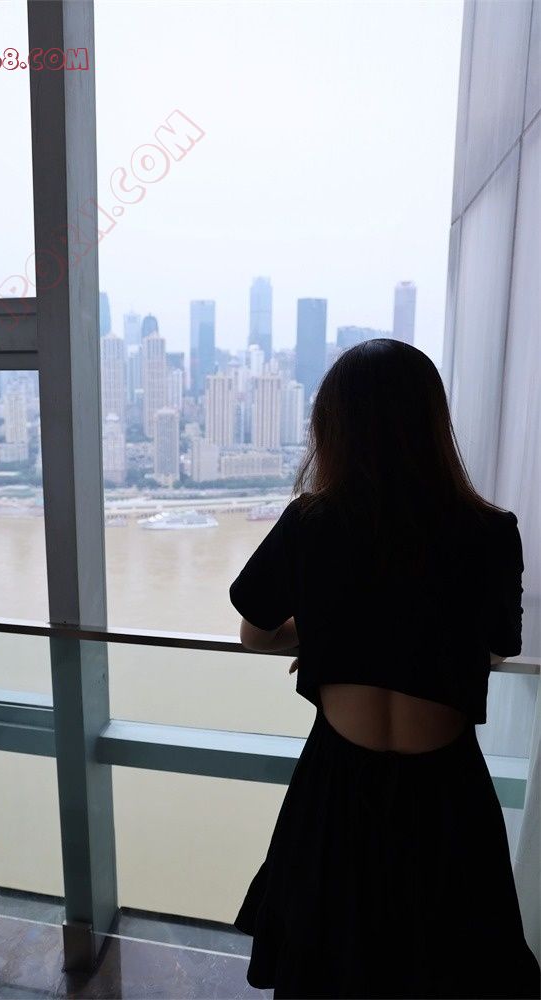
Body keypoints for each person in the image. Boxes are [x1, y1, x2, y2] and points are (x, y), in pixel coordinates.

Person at [229, 339, 540, 1000]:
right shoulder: (491, 531)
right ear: (433, 423)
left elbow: (255, 632)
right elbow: (498, 646)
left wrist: (322, 637)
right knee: (446, 973)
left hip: (337, 784)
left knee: (328, 966)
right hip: (447, 791)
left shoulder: (310, 522)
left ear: (332, 427)